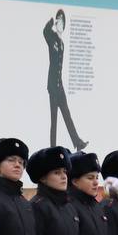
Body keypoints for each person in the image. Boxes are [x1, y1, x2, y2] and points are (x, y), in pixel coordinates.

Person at [44, 11, 87, 150]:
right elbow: (45, 31)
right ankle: (52, 148)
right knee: (54, 120)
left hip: (59, 85)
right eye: (58, 21)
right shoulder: (52, 38)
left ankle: (77, 142)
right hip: (52, 86)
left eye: (62, 22)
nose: (60, 24)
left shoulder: (62, 43)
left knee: (67, 115)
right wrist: (52, 21)